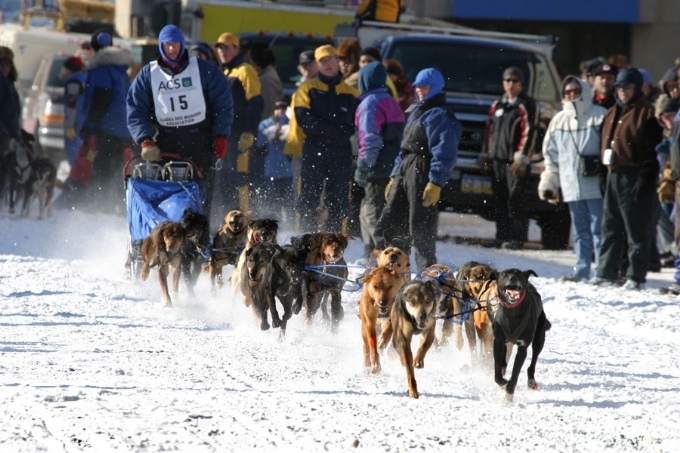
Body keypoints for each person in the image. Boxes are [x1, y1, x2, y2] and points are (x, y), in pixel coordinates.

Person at [126, 24, 234, 224]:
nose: (172, 49)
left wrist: (221, 135)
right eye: (168, 45)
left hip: (200, 140)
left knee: (201, 193)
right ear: (161, 45)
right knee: (161, 192)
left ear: (183, 44)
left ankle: (198, 239)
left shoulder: (203, 69)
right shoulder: (149, 74)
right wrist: (145, 140)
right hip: (164, 141)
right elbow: (135, 109)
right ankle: (161, 235)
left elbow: (223, 103)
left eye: (176, 44)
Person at [374, 68, 461, 271]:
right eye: (417, 86)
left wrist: (436, 181)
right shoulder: (418, 110)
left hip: (423, 171)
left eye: (424, 86)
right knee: (388, 222)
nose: (419, 90)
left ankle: (427, 275)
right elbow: (404, 148)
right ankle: (386, 270)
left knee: (420, 229)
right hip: (406, 169)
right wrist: (394, 176)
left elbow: (444, 151)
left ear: (436, 88)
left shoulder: (440, 115)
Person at [590, 68, 663, 290]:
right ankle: (606, 272)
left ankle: (635, 275)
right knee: (610, 227)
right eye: (619, 87)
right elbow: (603, 147)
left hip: (634, 175)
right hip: (613, 173)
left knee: (636, 229)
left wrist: (644, 180)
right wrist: (603, 174)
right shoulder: (612, 112)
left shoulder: (647, 114)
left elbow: (652, 153)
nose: (622, 92)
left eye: (627, 87)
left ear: (637, 88)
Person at [538, 77, 606, 282]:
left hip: (595, 185)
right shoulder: (558, 120)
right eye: (567, 92)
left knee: (599, 230)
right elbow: (550, 155)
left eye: (575, 90)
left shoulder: (599, 116)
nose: (571, 94)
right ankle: (582, 270)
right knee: (580, 231)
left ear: (584, 90)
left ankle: (603, 272)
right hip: (570, 186)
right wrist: (550, 181)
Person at [286, 44, 359, 232]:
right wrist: (331, 130)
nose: (327, 64)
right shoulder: (307, 87)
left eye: (331, 60)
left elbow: (354, 123)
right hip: (314, 147)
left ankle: (336, 238)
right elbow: (303, 118)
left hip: (341, 150)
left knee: (339, 197)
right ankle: (304, 235)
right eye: (322, 61)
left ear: (338, 62)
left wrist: (336, 131)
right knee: (308, 195)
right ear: (317, 65)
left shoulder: (351, 92)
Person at [78, 29, 134, 212]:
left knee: (101, 165)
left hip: (106, 127)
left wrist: (90, 126)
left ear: (95, 49)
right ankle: (115, 203)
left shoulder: (101, 70)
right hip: (122, 128)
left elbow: (101, 98)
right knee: (116, 167)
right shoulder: (120, 70)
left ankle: (100, 204)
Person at [354, 61, 405, 262]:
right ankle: (372, 254)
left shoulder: (370, 104)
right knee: (380, 212)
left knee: (371, 214)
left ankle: (379, 257)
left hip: (377, 167)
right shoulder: (390, 100)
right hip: (392, 167)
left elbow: (371, 138)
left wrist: (364, 165)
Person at [484, 66, 539, 249]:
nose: (511, 84)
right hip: (498, 159)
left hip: (515, 162)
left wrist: (522, 158)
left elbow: (530, 132)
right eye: (507, 80)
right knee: (500, 198)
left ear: (521, 83)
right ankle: (502, 236)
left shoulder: (526, 104)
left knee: (516, 199)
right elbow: (489, 131)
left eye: (514, 80)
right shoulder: (497, 105)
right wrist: (487, 153)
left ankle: (517, 238)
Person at [213, 32, 264, 216]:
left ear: (237, 48)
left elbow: (256, 103)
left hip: (239, 138)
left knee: (239, 182)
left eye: (227, 47)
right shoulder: (225, 72)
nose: (222, 51)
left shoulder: (245, 70)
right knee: (224, 182)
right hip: (225, 137)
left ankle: (244, 220)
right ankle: (227, 220)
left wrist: (249, 131)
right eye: (219, 47)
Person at [255, 100, 294, 228]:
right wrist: (267, 134)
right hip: (271, 169)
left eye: (283, 108)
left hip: (287, 170)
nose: (280, 111)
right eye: (277, 108)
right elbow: (258, 144)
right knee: (272, 201)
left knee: (288, 202)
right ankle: (273, 224)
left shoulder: (291, 124)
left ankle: (290, 225)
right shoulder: (265, 124)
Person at [61, 56, 86, 166]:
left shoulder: (73, 82)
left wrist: (69, 124)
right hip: (85, 121)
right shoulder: (86, 78)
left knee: (73, 151)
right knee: (85, 151)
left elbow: (72, 105)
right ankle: (83, 174)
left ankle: (76, 175)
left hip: (76, 123)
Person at [0, 46, 21, 155]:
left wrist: (17, 133)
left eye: (8, 64)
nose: (5, 68)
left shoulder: (10, 86)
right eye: (2, 64)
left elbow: (13, 111)